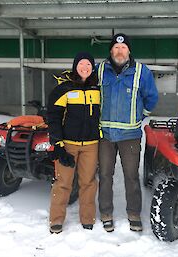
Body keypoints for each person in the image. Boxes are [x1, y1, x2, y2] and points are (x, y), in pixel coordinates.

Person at [97, 33, 158, 232]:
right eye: (116, 47)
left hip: (130, 136)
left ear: (129, 51)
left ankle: (134, 213)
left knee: (131, 176)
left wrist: (141, 115)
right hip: (105, 135)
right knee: (105, 175)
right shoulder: (99, 71)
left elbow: (151, 97)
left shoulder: (142, 72)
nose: (119, 51)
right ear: (111, 51)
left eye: (123, 48)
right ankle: (106, 212)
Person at [47, 52, 101, 234]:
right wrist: (58, 144)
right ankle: (56, 220)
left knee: (88, 182)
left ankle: (87, 218)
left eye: (88, 64)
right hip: (68, 144)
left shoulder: (98, 89)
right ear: (75, 66)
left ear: (92, 68)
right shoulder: (64, 89)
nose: (85, 67)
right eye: (81, 64)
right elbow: (53, 117)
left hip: (91, 145)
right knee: (63, 183)